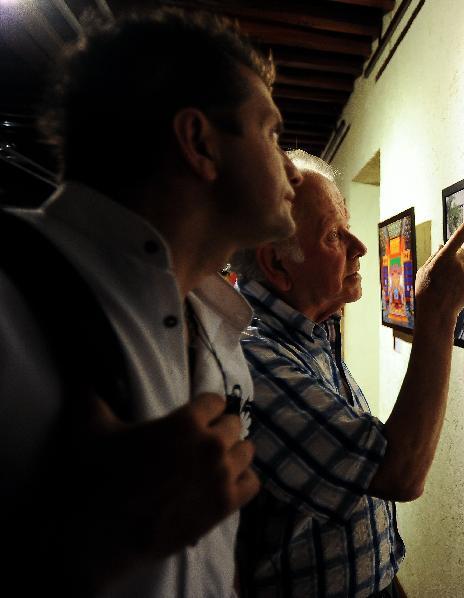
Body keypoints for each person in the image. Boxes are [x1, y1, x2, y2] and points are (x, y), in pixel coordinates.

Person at [0, 9, 300, 597]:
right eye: (269, 131)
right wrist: (81, 548)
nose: (289, 163)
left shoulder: (221, 329)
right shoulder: (8, 292)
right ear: (199, 142)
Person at [230, 151, 464, 598]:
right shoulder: (252, 359)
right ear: (277, 265)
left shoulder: (310, 333)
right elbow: (398, 472)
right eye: (332, 236)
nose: (360, 246)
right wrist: (437, 316)